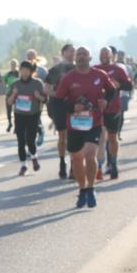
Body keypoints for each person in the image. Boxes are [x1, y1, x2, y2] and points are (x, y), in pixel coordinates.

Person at [54, 46, 117, 209]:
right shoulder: (68, 78)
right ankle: (82, 189)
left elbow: (112, 91)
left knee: (90, 155)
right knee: (76, 159)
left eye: (84, 54)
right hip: (74, 124)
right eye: (79, 54)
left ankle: (91, 188)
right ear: (75, 58)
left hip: (94, 122)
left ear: (90, 57)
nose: (81, 57)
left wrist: (106, 101)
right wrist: (72, 107)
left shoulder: (99, 75)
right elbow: (58, 101)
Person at [93, 46, 133, 180]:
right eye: (102, 54)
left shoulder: (118, 69)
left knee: (112, 138)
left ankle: (113, 163)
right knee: (100, 138)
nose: (104, 57)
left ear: (112, 56)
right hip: (98, 109)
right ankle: (99, 165)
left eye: (106, 54)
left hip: (114, 108)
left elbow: (129, 86)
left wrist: (119, 85)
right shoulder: (95, 69)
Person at [6, 61, 46, 174]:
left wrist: (38, 96)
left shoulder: (37, 83)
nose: (24, 72)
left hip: (33, 115)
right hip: (19, 115)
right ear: (20, 70)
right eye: (22, 69)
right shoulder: (15, 84)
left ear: (31, 71)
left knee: (30, 140)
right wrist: (14, 94)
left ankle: (34, 157)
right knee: (21, 141)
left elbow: (45, 99)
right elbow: (9, 102)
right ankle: (23, 166)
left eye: (27, 70)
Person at [44, 43, 75, 179]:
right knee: (63, 137)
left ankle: (74, 165)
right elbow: (46, 89)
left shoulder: (79, 69)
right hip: (59, 106)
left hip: (75, 106)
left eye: (74, 51)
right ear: (63, 53)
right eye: (70, 51)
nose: (72, 53)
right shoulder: (55, 70)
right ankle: (62, 162)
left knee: (74, 137)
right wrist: (59, 93)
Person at [2, 59, 19, 132]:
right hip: (9, 92)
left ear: (16, 65)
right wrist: (6, 86)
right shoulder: (8, 74)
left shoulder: (19, 73)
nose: (13, 66)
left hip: (18, 93)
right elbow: (3, 80)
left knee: (17, 110)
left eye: (14, 64)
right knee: (8, 109)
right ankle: (9, 123)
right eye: (12, 64)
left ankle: (16, 125)